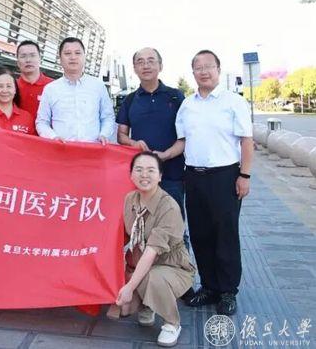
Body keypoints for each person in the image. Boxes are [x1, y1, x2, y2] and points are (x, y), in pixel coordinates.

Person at [175, 50, 253, 315]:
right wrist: (159, 156)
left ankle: (228, 291)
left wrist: (244, 175)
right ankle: (209, 286)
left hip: (225, 176)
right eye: (198, 67)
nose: (204, 71)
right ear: (193, 72)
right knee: (200, 233)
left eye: (209, 66)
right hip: (194, 176)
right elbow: (182, 141)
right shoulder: (187, 105)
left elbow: (247, 141)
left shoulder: (233, 102)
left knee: (225, 233)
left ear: (218, 69)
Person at [107, 151, 195, 347]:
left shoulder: (168, 207)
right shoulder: (130, 199)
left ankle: (172, 323)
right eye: (138, 170)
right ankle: (148, 304)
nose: (144, 175)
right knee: (124, 310)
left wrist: (129, 287)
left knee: (153, 278)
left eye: (150, 170)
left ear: (160, 176)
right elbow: (123, 235)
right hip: (138, 263)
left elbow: (151, 253)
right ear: (131, 175)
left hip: (170, 266)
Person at [117, 47, 189, 249]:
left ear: (160, 65)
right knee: (142, 228)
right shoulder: (130, 100)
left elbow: (186, 137)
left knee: (175, 228)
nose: (146, 65)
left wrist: (165, 155)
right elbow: (121, 135)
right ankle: (145, 268)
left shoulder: (175, 97)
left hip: (172, 175)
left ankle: (180, 269)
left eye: (151, 60)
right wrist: (133, 143)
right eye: (140, 62)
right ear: (134, 68)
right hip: (141, 177)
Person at [36, 37, 115, 143]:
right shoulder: (50, 89)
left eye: (77, 53)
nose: (73, 57)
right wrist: (53, 137)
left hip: (93, 149)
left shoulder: (98, 86)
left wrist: (104, 134)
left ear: (84, 57)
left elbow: (108, 117)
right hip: (61, 149)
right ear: (60, 59)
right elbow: (42, 122)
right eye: (67, 53)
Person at [16, 40, 53, 119]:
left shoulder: (53, 86)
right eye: (23, 56)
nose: (28, 60)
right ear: (18, 62)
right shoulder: (11, 87)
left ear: (40, 59)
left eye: (32, 55)